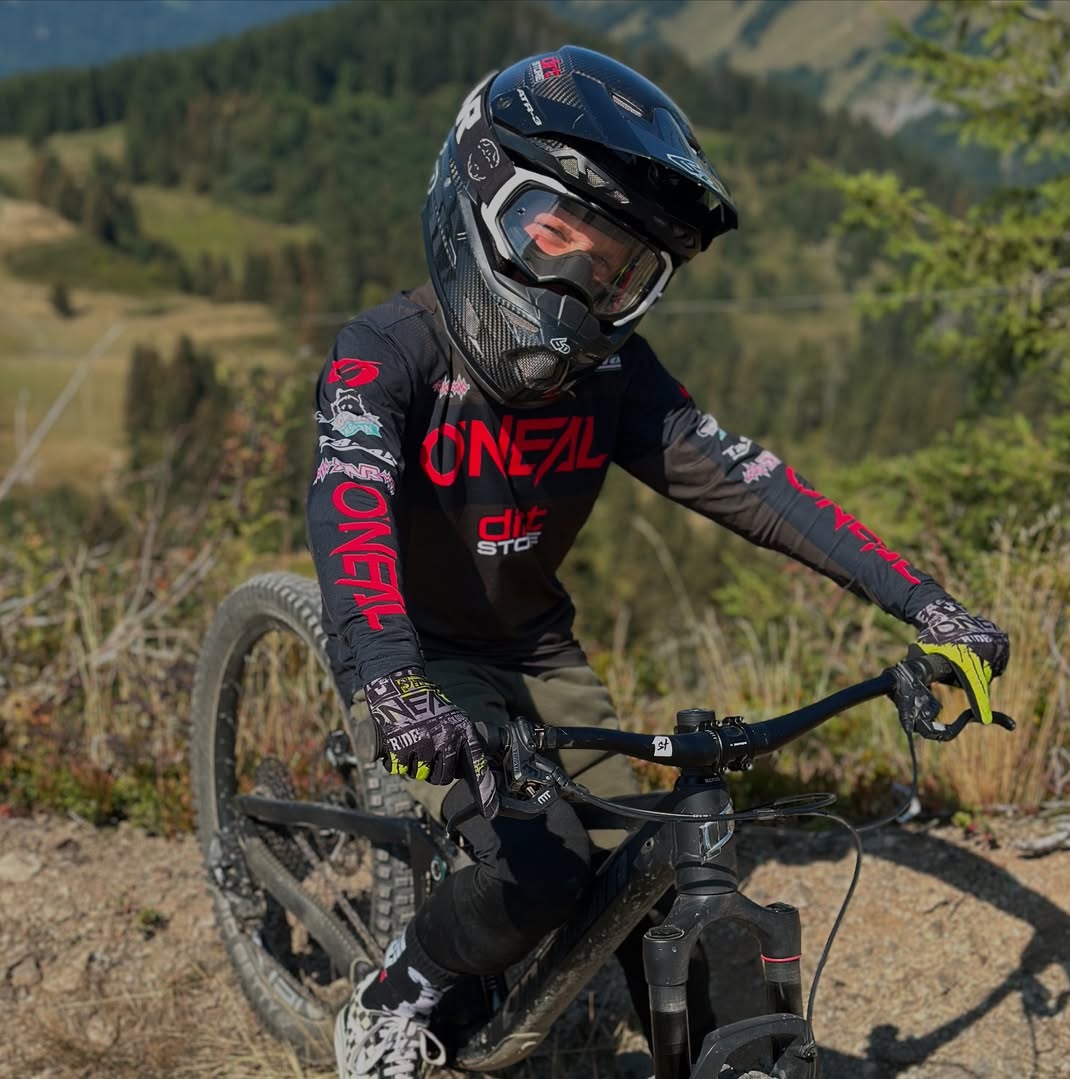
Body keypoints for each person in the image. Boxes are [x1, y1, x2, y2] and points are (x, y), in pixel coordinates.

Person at [305, 46, 1010, 1079]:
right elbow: (352, 512)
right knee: (541, 871)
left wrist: (929, 605)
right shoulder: (386, 352)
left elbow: (754, 484)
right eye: (554, 237)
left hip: (538, 644)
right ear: (478, 197)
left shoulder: (614, 375)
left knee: (638, 862)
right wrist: (394, 682)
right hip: (417, 650)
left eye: (617, 270)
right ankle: (392, 993)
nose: (578, 283)